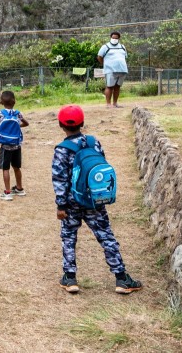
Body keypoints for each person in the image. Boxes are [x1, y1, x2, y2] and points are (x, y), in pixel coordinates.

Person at [52, 105, 142, 295]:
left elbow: (59, 179)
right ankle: (121, 278)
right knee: (106, 237)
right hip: (94, 201)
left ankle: (70, 278)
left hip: (71, 203)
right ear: (82, 123)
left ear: (61, 125)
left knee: (68, 237)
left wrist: (61, 205)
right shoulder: (94, 143)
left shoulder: (62, 150)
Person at [0, 91, 29, 201]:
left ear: (1, 102)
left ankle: (7, 192)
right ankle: (19, 188)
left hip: (5, 146)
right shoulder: (18, 113)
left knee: (5, 168)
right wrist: (18, 125)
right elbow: (26, 123)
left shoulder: (0, 113)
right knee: (16, 167)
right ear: (14, 101)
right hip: (16, 145)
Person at [97, 31, 128, 108]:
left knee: (117, 87)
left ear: (119, 38)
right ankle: (108, 104)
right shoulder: (105, 47)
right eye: (113, 38)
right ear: (110, 37)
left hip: (122, 70)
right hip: (110, 70)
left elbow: (125, 57)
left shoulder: (122, 47)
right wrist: (105, 64)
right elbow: (99, 57)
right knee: (109, 86)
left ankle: (115, 103)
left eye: (116, 38)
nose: (114, 39)